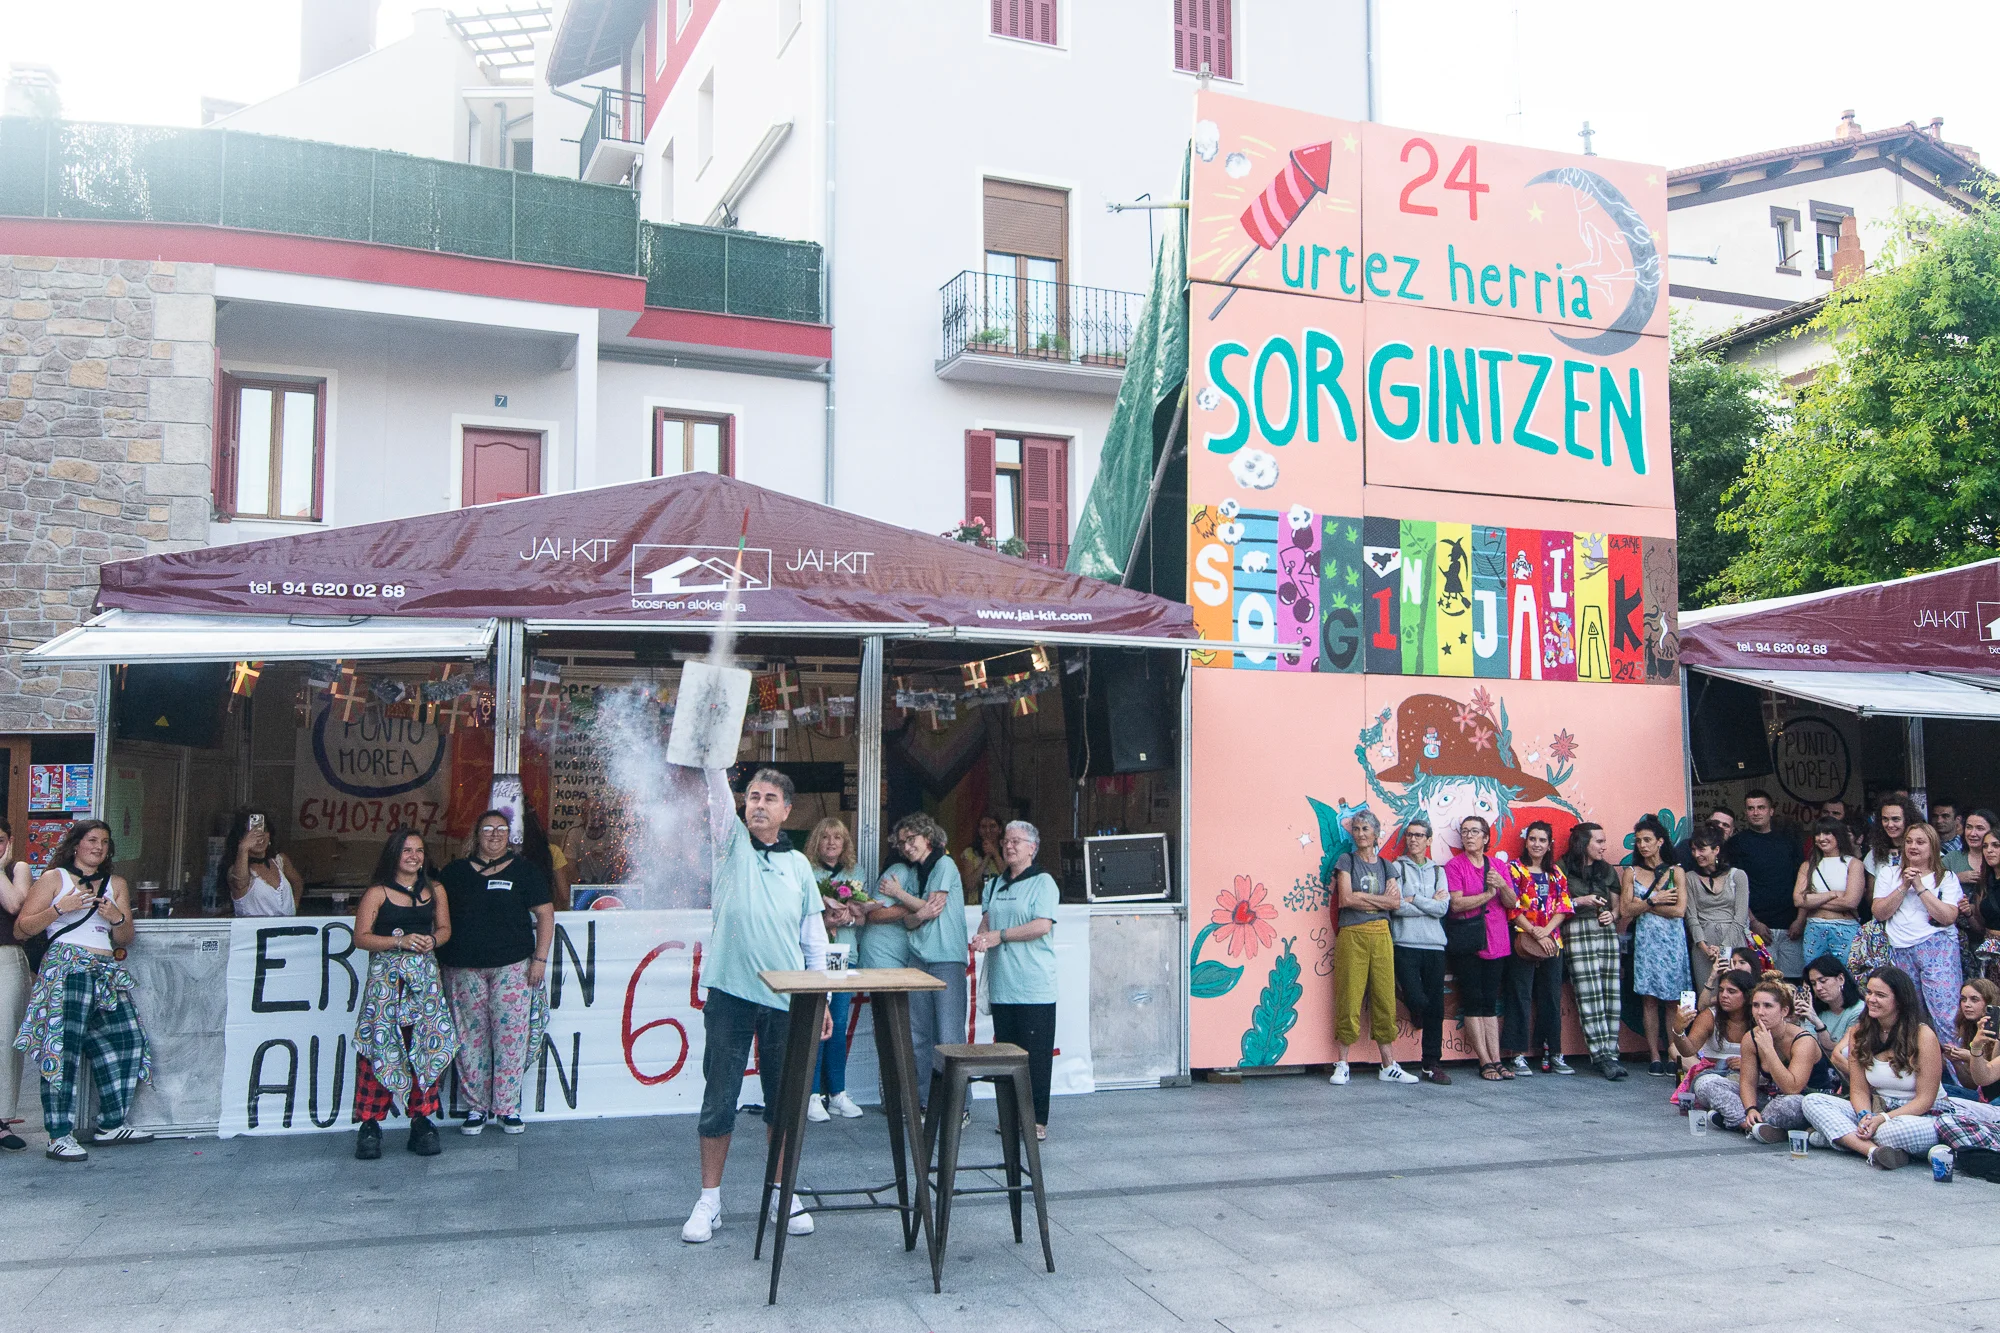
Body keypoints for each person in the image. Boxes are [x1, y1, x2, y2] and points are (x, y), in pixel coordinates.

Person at [682, 769, 829, 1245]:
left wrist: (821, 999)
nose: (759, 804)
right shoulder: (730, 844)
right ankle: (709, 1201)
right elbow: (717, 794)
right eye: (752, 797)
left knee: (784, 1102)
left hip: (787, 1000)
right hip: (730, 994)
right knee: (719, 1099)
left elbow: (814, 940)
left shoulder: (800, 866)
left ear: (787, 810)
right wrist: (715, 758)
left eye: (769, 798)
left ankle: (782, 1194)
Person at [11, 820, 151, 1161]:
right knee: (64, 1050)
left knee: (127, 1039)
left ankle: (111, 1124)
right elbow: (22, 929)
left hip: (105, 969)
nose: (98, 847)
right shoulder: (54, 878)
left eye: (104, 841)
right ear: (76, 844)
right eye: (91, 839)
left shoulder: (116, 883)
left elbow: (125, 939)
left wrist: (116, 917)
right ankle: (59, 1135)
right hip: (66, 967)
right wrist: (61, 908)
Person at [1801, 966, 2000, 1168]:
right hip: (1878, 1106)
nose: (1871, 999)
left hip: (1921, 1114)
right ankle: (1872, 1151)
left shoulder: (1923, 1035)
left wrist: (1882, 1119)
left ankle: (1837, 1137)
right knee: (1812, 1101)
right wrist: (1864, 1116)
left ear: (1900, 1000)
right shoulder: (1859, 1032)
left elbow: (1925, 1100)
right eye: (1869, 992)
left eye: (1880, 995)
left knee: (1892, 1133)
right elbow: (1859, 1090)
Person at [437, 811, 553, 1136]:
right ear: (477, 834)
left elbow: (545, 914)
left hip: (512, 966)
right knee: (469, 1039)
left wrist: (540, 959)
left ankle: (507, 1107)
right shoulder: (454, 873)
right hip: (463, 968)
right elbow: (436, 914)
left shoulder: (524, 871)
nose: (494, 834)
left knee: (511, 1037)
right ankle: (477, 1107)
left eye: (501, 829)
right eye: (487, 828)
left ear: (509, 835)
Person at [350, 829, 457, 1160]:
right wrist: (399, 941)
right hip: (387, 986)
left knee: (424, 1046)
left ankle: (421, 1121)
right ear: (394, 855)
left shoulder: (435, 889)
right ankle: (370, 1125)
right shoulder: (377, 892)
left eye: (419, 850)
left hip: (424, 983)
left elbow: (445, 929)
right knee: (379, 1046)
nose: (414, 856)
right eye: (407, 850)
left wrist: (431, 941)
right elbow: (361, 937)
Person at [971, 821, 1059, 1139]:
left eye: (1017, 841)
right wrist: (982, 937)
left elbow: (1042, 925)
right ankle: (1009, 1117)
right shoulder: (995, 884)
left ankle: (1035, 1120)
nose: (1009, 846)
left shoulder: (1043, 882)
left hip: (1034, 985)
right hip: (1002, 984)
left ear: (1032, 848)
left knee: (1034, 1058)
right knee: (1006, 1056)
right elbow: (986, 921)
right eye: (1006, 841)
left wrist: (1001, 936)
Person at [874, 813, 968, 1101]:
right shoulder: (915, 873)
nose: (906, 846)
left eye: (911, 839)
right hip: (918, 958)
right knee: (918, 1035)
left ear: (927, 837)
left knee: (949, 1035)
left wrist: (898, 893)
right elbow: (911, 920)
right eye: (901, 843)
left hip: (946, 958)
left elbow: (931, 908)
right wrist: (920, 912)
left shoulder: (944, 864)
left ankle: (958, 1106)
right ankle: (924, 1102)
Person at [1328, 810, 1416, 1086]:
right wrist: (1379, 900)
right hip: (1352, 933)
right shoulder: (1347, 861)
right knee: (1349, 995)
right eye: (1356, 829)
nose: (1360, 834)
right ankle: (1342, 1063)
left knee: (1385, 997)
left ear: (1376, 833)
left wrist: (1363, 897)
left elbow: (1395, 903)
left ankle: (1388, 1064)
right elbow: (1346, 899)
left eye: (1365, 829)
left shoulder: (1387, 866)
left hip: (1381, 935)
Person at [1872, 821, 1963, 1034]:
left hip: (1937, 947)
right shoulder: (1888, 873)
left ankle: (1954, 1055)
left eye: (1920, 842)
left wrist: (1920, 887)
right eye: (1909, 841)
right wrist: (1904, 885)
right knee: (1910, 1014)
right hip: (1900, 948)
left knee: (1945, 1013)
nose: (1913, 846)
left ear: (1932, 846)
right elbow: (1879, 912)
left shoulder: (1947, 877)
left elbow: (1948, 916)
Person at [1444, 815, 1516, 1082]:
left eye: (1474, 831)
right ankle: (1484, 1061)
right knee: (1473, 999)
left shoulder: (1497, 865)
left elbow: (1512, 902)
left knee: (1490, 1001)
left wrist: (1502, 885)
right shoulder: (1455, 866)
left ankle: (1496, 1059)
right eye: (1464, 831)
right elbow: (1456, 904)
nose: (1468, 836)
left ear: (1486, 837)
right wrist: (1487, 895)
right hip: (1468, 940)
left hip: (1496, 939)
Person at [805, 817, 866, 1123]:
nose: (831, 843)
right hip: (816, 957)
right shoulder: (806, 870)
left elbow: (864, 917)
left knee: (838, 1025)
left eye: (837, 838)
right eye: (826, 837)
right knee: (816, 1023)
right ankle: (812, 1094)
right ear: (817, 841)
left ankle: (837, 1094)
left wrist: (849, 919)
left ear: (845, 843)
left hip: (844, 955)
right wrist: (824, 920)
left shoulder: (856, 873)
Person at [1501, 821, 1573, 1076]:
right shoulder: (1514, 869)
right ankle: (1517, 1054)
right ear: (1526, 841)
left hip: (1552, 942)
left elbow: (1564, 906)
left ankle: (1553, 1052)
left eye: (1542, 840)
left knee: (1551, 997)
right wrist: (1534, 931)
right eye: (1533, 839)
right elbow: (1512, 907)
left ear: (1549, 844)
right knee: (1520, 995)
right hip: (1523, 940)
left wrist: (1546, 931)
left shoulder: (1556, 872)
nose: (1537, 844)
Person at [1560, 822, 1628, 1080]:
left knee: (1611, 992)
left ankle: (1612, 1052)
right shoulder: (1563, 866)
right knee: (1588, 994)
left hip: (1605, 930)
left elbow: (1617, 906)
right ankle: (1600, 1055)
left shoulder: (1606, 869)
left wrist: (1613, 914)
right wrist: (1580, 901)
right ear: (1583, 843)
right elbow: (1553, 902)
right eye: (1598, 841)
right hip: (1577, 928)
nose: (1604, 846)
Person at [1623, 816, 1689, 1076]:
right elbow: (1625, 910)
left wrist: (1645, 906)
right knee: (1648, 1000)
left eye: (1647, 840)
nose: (1642, 845)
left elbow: (1680, 910)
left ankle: (1673, 1053)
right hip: (1647, 942)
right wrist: (1654, 900)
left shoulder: (1676, 871)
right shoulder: (1631, 872)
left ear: (1660, 841)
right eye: (1639, 840)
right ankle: (1654, 1055)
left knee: (1673, 1001)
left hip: (1672, 941)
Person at [1391, 818, 1452, 1085]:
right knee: (1417, 998)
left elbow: (1443, 909)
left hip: (1434, 946)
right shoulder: (1396, 868)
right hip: (1405, 943)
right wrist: (1427, 904)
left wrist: (1415, 899)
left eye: (1419, 835)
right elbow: (1396, 906)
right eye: (1410, 835)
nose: (1413, 839)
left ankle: (1431, 1064)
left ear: (1429, 840)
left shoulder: (1438, 871)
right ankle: (1417, 1010)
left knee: (1436, 1006)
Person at [1724, 791, 1804, 978]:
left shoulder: (1789, 842)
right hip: (1756, 928)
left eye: (1761, 807)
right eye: (1751, 808)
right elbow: (1734, 888)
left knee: (1793, 983)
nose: (1756, 812)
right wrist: (1753, 921)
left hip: (1791, 928)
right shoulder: (1737, 844)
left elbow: (1804, 884)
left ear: (1771, 811)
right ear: (1745, 812)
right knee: (1759, 983)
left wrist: (1800, 920)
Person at [1738, 977, 1822, 1141]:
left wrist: (1769, 1050)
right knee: (1708, 1083)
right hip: (1771, 1096)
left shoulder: (1803, 1040)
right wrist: (1750, 1108)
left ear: (1784, 1011)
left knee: (1788, 1104)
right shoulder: (1751, 1037)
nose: (1760, 1012)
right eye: (1756, 1005)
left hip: (1805, 1099)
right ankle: (1753, 1124)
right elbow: (1747, 1082)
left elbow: (1792, 1088)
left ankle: (1743, 1123)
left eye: (1768, 1006)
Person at [1679, 969, 1753, 1123]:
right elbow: (1687, 1050)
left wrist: (1749, 1065)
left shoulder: (1759, 1018)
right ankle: (1745, 1121)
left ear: (1747, 996)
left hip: (1749, 1080)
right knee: (1705, 1084)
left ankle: (1730, 1116)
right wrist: (1678, 1030)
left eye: (1731, 991)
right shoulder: (1709, 1016)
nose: (1724, 995)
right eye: (1721, 990)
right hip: (1715, 1077)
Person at [1683, 826, 1750, 993]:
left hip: (1733, 940)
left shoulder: (1738, 875)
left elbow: (1741, 916)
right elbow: (1691, 917)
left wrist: (1724, 948)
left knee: (1736, 992)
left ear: (1716, 850)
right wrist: (1704, 947)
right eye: (1693, 850)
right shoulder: (1690, 878)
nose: (1697, 854)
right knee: (1708, 993)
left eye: (1702, 849)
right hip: (1704, 945)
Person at [0, 819, 32, 1152]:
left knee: (4, 1037)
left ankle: (1, 1120)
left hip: (5, 956)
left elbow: (15, 905)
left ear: (9, 841)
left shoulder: (17, 869)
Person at [1793, 818, 1864, 968]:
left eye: (1827, 833)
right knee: (1814, 973)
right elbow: (1798, 900)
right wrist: (1831, 894)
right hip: (1814, 927)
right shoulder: (1807, 865)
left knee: (1848, 974)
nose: (1821, 838)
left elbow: (1851, 902)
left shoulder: (1854, 863)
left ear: (1838, 835)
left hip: (1845, 927)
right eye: (1817, 834)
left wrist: (1812, 901)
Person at [217, 808, 300, 917]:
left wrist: (294, 906)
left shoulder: (280, 860)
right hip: (254, 927)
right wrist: (243, 848)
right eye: (251, 832)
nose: (259, 836)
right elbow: (239, 884)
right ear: (240, 838)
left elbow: (297, 882)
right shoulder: (235, 870)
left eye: (263, 829)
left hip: (288, 926)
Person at [1801, 954, 1866, 1088]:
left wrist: (1818, 1025)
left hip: (1848, 1078)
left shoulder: (1859, 1010)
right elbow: (1808, 1048)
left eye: (1823, 981)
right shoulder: (1817, 1011)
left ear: (1841, 979)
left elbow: (1840, 1054)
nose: (1818, 988)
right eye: (1813, 983)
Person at [1942, 978, 2000, 1100]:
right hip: (1984, 1096)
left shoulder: (1996, 1028)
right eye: (1963, 999)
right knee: (1941, 1091)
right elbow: (1973, 1085)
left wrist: (1971, 1056)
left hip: (1996, 1096)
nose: (1966, 1004)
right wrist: (1956, 1062)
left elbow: (1992, 1076)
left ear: (1989, 1002)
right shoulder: (1969, 1028)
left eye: (1974, 999)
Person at [1861, 796, 1912, 882]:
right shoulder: (1874, 854)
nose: (1890, 825)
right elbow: (1872, 889)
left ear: (1908, 820)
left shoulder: (1919, 851)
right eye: (1885, 819)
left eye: (1896, 819)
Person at [960, 815, 1005, 906]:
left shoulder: (1007, 852)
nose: (988, 831)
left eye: (992, 826)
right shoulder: (970, 853)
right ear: (979, 831)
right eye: (984, 827)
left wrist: (995, 853)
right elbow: (970, 885)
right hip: (976, 906)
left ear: (1000, 829)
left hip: (1001, 905)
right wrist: (987, 856)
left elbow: (1009, 878)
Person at [1950, 809, 1995, 883]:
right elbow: (1933, 883)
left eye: (1980, 828)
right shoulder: (1952, 858)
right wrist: (1956, 878)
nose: (1972, 834)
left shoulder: (1996, 858)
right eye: (1969, 827)